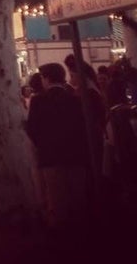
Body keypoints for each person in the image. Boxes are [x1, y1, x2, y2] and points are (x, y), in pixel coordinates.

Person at [26, 63, 90, 232]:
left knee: (57, 200)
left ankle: (61, 240)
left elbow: (32, 128)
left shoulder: (38, 101)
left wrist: (44, 145)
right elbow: (84, 126)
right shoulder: (75, 99)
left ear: (47, 78)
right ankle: (81, 235)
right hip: (75, 155)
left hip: (50, 157)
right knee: (78, 199)